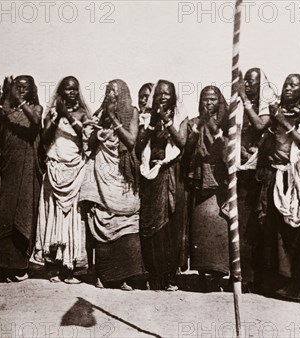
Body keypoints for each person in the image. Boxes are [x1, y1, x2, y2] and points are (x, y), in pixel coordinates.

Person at [255, 74, 300, 299]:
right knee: (273, 230)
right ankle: (276, 281)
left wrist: (283, 122)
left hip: (297, 178)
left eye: (294, 85)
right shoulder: (277, 113)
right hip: (275, 176)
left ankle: (297, 284)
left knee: (294, 230)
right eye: (286, 84)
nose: (288, 88)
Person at [79, 79, 146, 291]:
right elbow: (89, 146)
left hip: (122, 175)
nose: (112, 95)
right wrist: (94, 131)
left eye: (116, 92)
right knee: (103, 221)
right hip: (102, 174)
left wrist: (114, 119)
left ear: (124, 95)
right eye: (109, 91)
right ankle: (104, 276)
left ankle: (124, 277)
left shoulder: (132, 113)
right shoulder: (99, 114)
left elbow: (131, 141)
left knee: (127, 222)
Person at [34, 76, 90, 284]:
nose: (72, 93)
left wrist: (69, 115)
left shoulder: (83, 114)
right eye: (68, 89)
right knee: (52, 216)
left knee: (72, 219)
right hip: (55, 168)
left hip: (75, 170)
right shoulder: (52, 114)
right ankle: (53, 265)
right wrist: (58, 117)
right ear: (61, 92)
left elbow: (86, 138)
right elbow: (45, 140)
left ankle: (70, 268)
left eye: (75, 89)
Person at [0, 75, 43, 282]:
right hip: (8, 167)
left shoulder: (36, 108)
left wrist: (16, 100)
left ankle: (20, 266)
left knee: (23, 211)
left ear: (31, 90)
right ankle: (4, 265)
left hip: (27, 167)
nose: (20, 90)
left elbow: (35, 122)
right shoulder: (7, 110)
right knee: (6, 213)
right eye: (17, 87)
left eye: (24, 87)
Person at [136, 80, 189, 291]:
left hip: (172, 174)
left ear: (174, 96)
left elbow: (182, 142)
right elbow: (139, 144)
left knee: (170, 226)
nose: (164, 97)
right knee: (153, 226)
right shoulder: (147, 117)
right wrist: (151, 124)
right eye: (160, 93)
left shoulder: (180, 116)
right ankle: (154, 274)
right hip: (151, 176)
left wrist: (167, 120)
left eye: (168, 94)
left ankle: (169, 276)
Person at [234, 68, 279, 291]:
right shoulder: (239, 105)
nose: (248, 85)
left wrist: (244, 98)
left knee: (259, 226)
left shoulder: (267, 105)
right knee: (243, 226)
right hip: (243, 170)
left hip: (262, 171)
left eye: (252, 82)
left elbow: (261, 125)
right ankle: (246, 278)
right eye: (246, 81)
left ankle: (263, 279)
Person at [185, 85, 229, 292]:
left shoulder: (225, 124)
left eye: (212, 99)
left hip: (218, 181)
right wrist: (200, 124)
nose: (208, 103)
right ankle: (202, 275)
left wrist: (211, 125)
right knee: (200, 229)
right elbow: (188, 146)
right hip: (199, 180)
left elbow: (226, 148)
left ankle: (218, 276)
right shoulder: (194, 123)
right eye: (205, 99)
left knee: (218, 227)